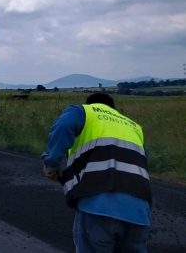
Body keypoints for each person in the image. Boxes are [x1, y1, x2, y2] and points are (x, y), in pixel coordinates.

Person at [42, 92, 151, 252]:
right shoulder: (134, 127)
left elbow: (63, 126)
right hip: (139, 209)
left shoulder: (83, 112)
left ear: (91, 104)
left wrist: (51, 164)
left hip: (98, 203)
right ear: (113, 109)